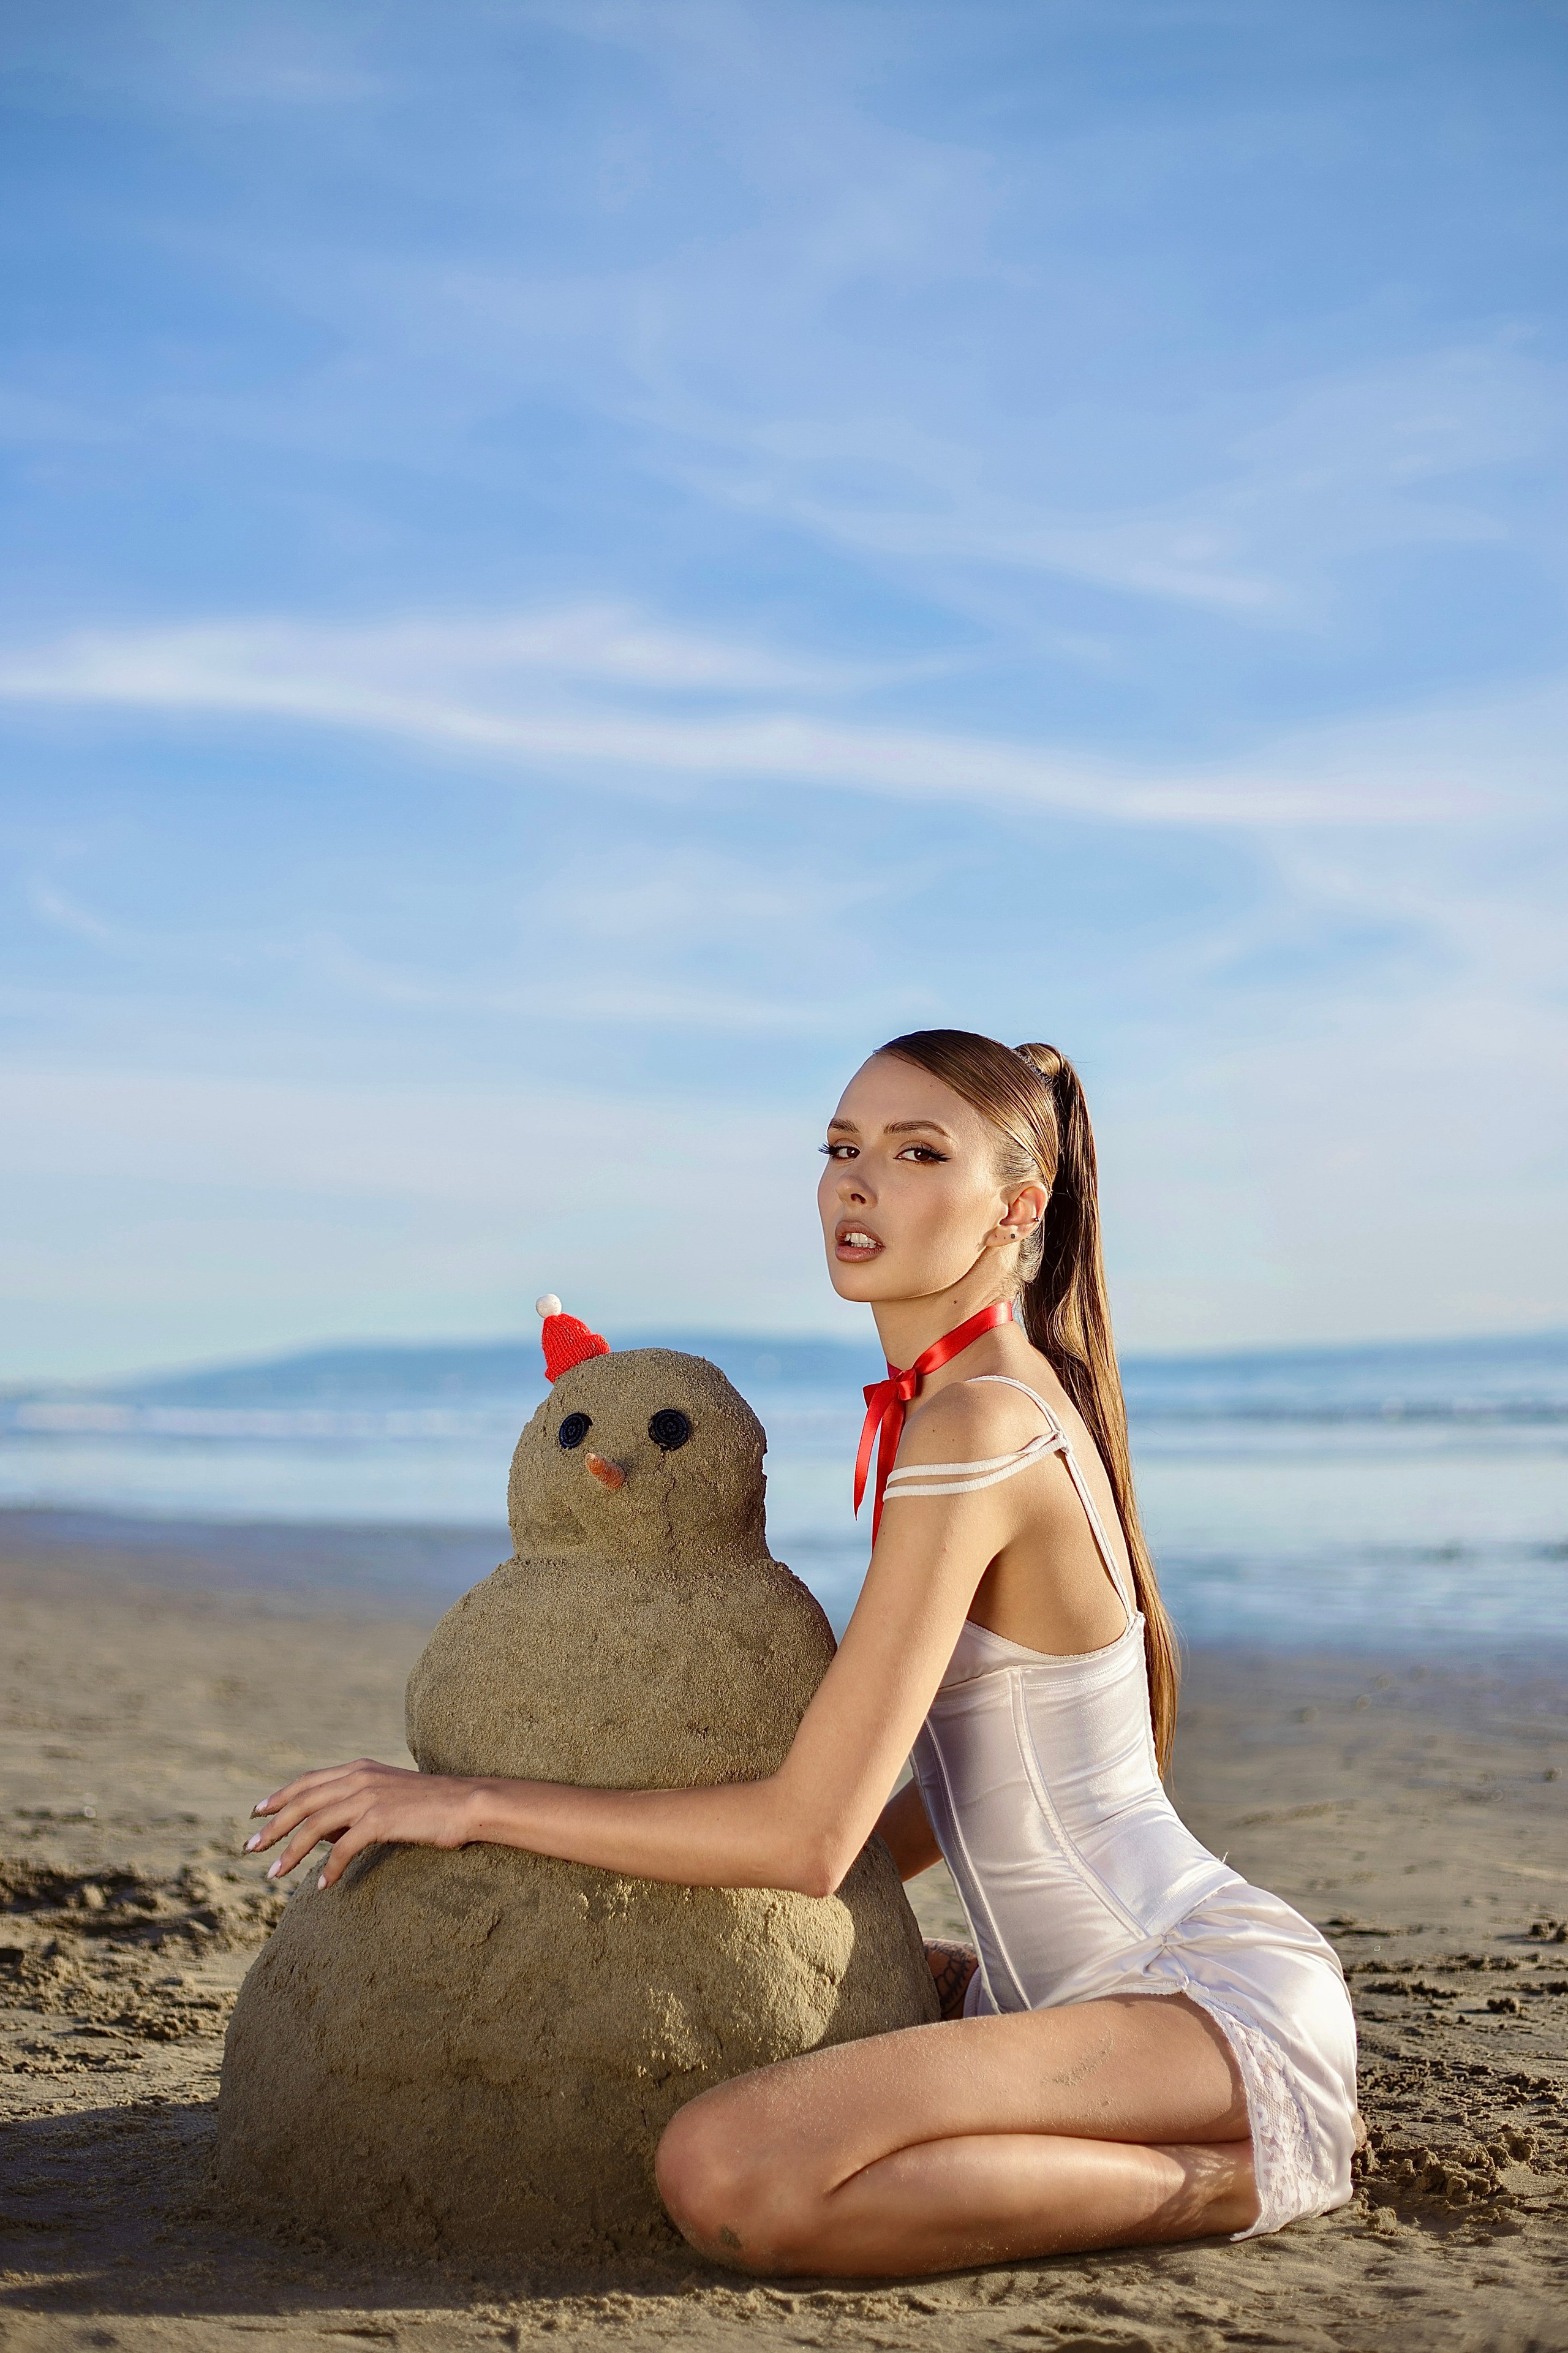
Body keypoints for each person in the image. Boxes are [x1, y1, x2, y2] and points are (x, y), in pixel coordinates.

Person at [246, 1028, 1360, 2278]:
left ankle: (1238, 2173)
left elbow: (807, 1835)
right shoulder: (985, 1400)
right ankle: (1230, 2130)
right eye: (840, 1148)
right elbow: (980, 1770)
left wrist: (465, 1801)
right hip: (1064, 1996)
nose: (854, 1181)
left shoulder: (975, 1422)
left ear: (1015, 1206)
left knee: (726, 2171)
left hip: (1186, 1993)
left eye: (913, 1151)